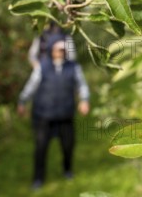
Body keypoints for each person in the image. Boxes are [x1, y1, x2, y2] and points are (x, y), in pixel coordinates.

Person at [17, 33, 90, 190]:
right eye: (58, 49)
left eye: (63, 50)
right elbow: (31, 86)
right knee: (41, 147)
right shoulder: (42, 67)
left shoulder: (73, 67)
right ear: (51, 49)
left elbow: (82, 85)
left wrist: (84, 99)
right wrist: (22, 101)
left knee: (68, 145)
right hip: (44, 115)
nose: (61, 52)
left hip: (65, 113)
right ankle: (38, 179)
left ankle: (67, 171)